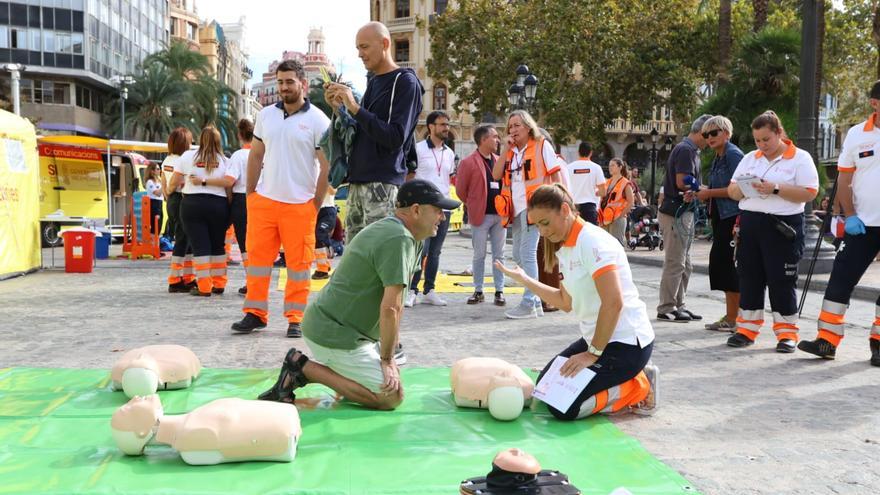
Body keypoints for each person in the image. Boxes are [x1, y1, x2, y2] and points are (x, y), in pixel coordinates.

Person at [257, 180, 460, 410]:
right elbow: (391, 308)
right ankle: (302, 368)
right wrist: (387, 360)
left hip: (349, 332)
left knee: (392, 372)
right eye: (437, 210)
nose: (442, 217)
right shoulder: (399, 238)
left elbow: (396, 304)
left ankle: (341, 375)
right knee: (390, 397)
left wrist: (388, 352)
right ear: (415, 210)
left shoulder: (408, 237)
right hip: (334, 333)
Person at [495, 184, 657, 420]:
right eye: (537, 225)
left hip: (626, 345)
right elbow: (565, 302)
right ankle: (617, 378)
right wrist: (525, 280)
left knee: (564, 409)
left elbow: (613, 303)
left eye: (545, 223)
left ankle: (638, 386)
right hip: (598, 339)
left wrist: (592, 354)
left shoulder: (592, 242)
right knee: (544, 389)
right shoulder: (567, 247)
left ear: (564, 210)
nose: (541, 232)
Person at [230, 59, 331, 338]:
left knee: (298, 267)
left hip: (300, 205)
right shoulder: (266, 116)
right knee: (258, 263)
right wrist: (250, 194)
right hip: (264, 202)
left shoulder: (319, 120)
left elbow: (327, 165)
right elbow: (256, 155)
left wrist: (315, 204)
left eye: (290, 81)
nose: (284, 87)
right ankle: (255, 313)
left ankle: (296, 317)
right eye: (281, 82)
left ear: (303, 84)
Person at [799, 82, 880, 366]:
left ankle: (879, 344)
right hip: (862, 224)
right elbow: (844, 180)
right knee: (840, 280)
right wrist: (850, 214)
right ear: (874, 103)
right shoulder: (858, 135)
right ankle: (827, 340)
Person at [726, 110, 819, 352]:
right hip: (751, 222)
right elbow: (731, 190)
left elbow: (809, 192)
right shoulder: (750, 158)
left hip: (783, 225)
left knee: (782, 279)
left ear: (779, 133)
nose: (761, 145)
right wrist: (744, 189)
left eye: (766, 139)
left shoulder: (800, 158)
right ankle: (746, 328)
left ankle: (787, 333)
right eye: (757, 140)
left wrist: (775, 188)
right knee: (749, 277)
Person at [324, 21, 424, 243]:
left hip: (382, 184)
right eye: (358, 48)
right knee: (356, 261)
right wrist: (340, 109)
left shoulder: (405, 82)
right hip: (359, 181)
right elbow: (363, 131)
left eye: (365, 47)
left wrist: (355, 107)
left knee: (378, 258)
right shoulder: (374, 82)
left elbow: (395, 137)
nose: (360, 54)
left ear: (385, 44)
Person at [492, 110, 564, 319]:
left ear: (528, 126)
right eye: (510, 126)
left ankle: (529, 302)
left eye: (517, 125)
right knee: (517, 255)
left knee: (527, 254)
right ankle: (536, 300)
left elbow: (556, 175)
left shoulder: (542, 145)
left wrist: (558, 204)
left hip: (535, 208)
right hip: (516, 209)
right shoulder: (512, 152)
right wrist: (505, 149)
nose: (513, 130)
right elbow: (496, 174)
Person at [656, 114, 712, 323]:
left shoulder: (690, 150)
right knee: (675, 261)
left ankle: (679, 304)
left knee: (684, 262)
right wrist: (702, 189)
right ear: (702, 132)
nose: (712, 140)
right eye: (711, 134)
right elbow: (682, 181)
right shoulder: (686, 150)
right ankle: (666, 307)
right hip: (676, 213)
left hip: (682, 211)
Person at [171, 126, 235, 297]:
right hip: (218, 205)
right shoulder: (225, 160)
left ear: (200, 139)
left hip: (192, 204)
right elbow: (229, 187)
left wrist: (170, 190)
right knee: (217, 245)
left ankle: (204, 287)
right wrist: (228, 207)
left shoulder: (187, 156)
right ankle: (219, 283)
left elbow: (175, 180)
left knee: (200, 245)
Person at [695, 116, 744, 332]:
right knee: (722, 265)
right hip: (721, 216)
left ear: (726, 133)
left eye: (714, 133)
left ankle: (736, 318)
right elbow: (721, 188)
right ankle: (732, 316)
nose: (709, 138)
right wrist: (700, 193)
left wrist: (709, 192)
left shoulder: (733, 155)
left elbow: (738, 190)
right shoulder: (718, 157)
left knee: (728, 266)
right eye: (706, 135)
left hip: (732, 217)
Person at [406, 111, 456, 307]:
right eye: (442, 124)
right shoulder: (417, 150)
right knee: (421, 251)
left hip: (444, 208)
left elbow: (446, 178)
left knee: (436, 251)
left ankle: (430, 290)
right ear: (431, 127)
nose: (446, 128)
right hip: (424, 208)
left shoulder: (450, 153)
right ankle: (412, 290)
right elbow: (409, 177)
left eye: (447, 124)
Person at [456, 124, 507, 306]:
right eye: (494, 136)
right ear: (484, 140)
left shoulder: (499, 160)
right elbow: (461, 190)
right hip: (480, 215)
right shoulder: (468, 162)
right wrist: (473, 204)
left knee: (499, 255)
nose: (498, 140)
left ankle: (499, 291)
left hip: (500, 216)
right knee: (479, 255)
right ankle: (478, 291)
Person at [164, 127, 195, 292]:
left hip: (171, 201)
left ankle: (186, 277)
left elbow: (164, 184)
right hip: (181, 198)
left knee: (185, 240)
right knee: (183, 240)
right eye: (190, 141)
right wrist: (171, 190)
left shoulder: (167, 160)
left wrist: (168, 194)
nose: (192, 144)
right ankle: (175, 280)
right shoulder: (181, 160)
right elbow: (173, 184)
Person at [226, 118, 253, 295]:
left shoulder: (238, 156)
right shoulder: (265, 153)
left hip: (241, 200)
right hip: (262, 199)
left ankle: (251, 280)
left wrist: (229, 200)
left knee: (245, 242)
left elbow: (229, 181)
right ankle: (258, 280)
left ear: (239, 135)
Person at [565, 142, 606, 225]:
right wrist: (595, 192)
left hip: (574, 207)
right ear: (591, 153)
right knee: (590, 235)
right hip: (590, 207)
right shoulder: (596, 168)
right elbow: (603, 192)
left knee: (574, 235)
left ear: (578, 152)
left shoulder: (568, 167)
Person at [600, 158, 634, 246]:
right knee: (605, 247)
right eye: (609, 165)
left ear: (620, 167)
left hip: (617, 220)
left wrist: (620, 216)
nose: (610, 168)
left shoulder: (625, 182)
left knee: (616, 247)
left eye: (613, 165)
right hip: (605, 219)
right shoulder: (607, 182)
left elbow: (631, 202)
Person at [312, 184, 337, 280]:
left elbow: (333, 191)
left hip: (328, 210)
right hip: (315, 210)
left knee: (320, 233)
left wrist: (324, 179)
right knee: (315, 237)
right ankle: (323, 268)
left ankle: (329, 251)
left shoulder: (329, 176)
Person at [144, 162, 164, 235]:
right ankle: (153, 244)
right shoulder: (150, 182)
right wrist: (164, 185)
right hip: (154, 204)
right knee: (155, 225)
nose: (160, 170)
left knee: (159, 225)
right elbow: (158, 193)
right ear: (152, 171)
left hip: (159, 204)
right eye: (158, 169)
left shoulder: (159, 180)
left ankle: (155, 243)